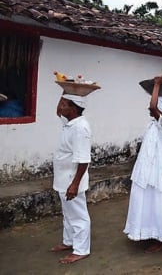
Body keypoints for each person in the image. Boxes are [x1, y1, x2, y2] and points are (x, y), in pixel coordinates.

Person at [123, 76, 162, 253]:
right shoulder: (152, 124)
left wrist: (156, 85)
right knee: (147, 202)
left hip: (160, 173)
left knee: (159, 203)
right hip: (147, 171)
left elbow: (152, 107)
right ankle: (148, 232)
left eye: (154, 107)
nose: (149, 109)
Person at [51, 94, 92, 264]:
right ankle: (69, 241)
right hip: (63, 178)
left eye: (64, 104)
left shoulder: (80, 128)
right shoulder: (70, 122)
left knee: (78, 216)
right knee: (67, 214)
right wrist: (64, 90)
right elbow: (57, 112)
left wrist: (74, 185)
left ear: (73, 109)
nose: (61, 107)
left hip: (71, 179)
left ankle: (81, 250)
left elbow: (83, 160)